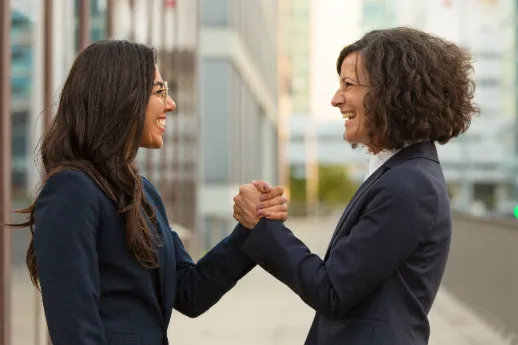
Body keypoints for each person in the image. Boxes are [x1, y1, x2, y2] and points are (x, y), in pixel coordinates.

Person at [10, 40, 287, 345]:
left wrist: (251, 226)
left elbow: (191, 292)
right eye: (159, 91)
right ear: (121, 97)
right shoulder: (70, 192)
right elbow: (75, 331)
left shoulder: (144, 194)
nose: (171, 104)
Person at [233, 27, 478, 345]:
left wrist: (261, 226)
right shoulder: (401, 173)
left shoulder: (410, 184)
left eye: (348, 85)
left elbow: (331, 290)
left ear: (391, 92)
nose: (336, 99)